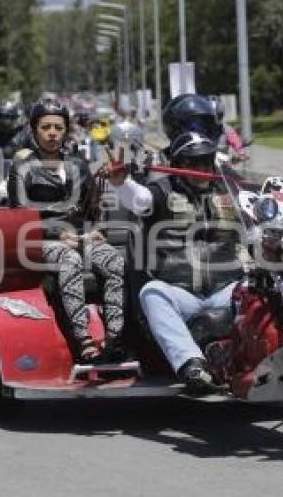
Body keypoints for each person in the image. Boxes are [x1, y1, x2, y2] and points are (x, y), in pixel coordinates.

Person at [104, 95, 244, 393]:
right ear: (178, 163)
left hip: (224, 289)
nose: (201, 167)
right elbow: (138, 200)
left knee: (262, 289)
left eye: (206, 160)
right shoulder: (161, 189)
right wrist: (121, 182)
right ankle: (192, 365)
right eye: (193, 162)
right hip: (182, 294)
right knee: (153, 292)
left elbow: (263, 205)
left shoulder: (229, 188)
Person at [7, 99, 126, 363]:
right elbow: (19, 216)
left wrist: (97, 230)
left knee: (115, 261)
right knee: (69, 259)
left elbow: (92, 208)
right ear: (34, 130)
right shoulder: (21, 168)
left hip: (81, 237)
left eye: (58, 128)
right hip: (41, 241)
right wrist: (58, 235)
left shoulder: (79, 165)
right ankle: (83, 339)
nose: (52, 133)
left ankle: (115, 339)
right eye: (45, 127)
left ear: (66, 131)